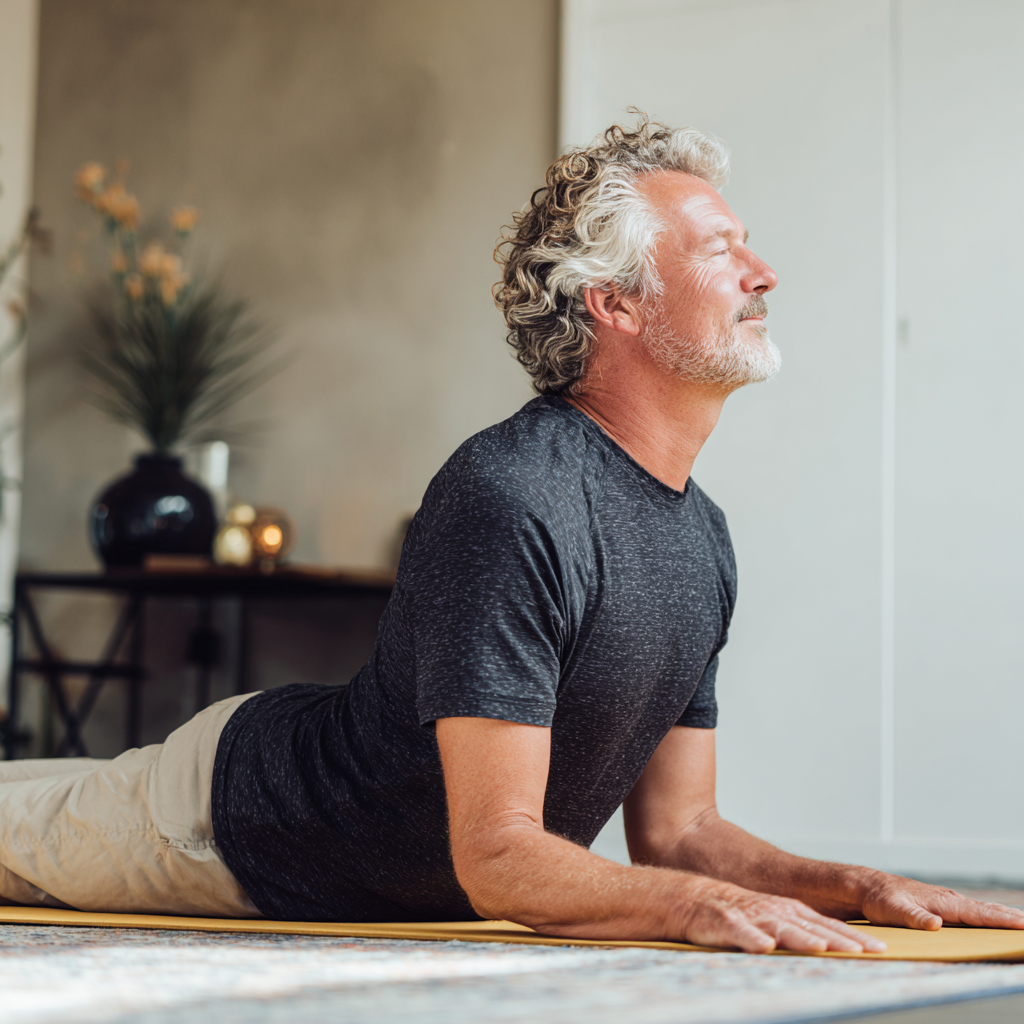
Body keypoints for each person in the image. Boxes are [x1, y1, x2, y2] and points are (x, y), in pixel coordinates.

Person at [3, 118, 1022, 954]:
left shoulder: (700, 536)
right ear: (612, 300)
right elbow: (496, 855)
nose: (762, 271)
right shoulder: (513, 493)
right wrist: (681, 908)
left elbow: (679, 831)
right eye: (719, 250)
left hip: (335, 820)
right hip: (230, 824)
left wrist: (857, 884)